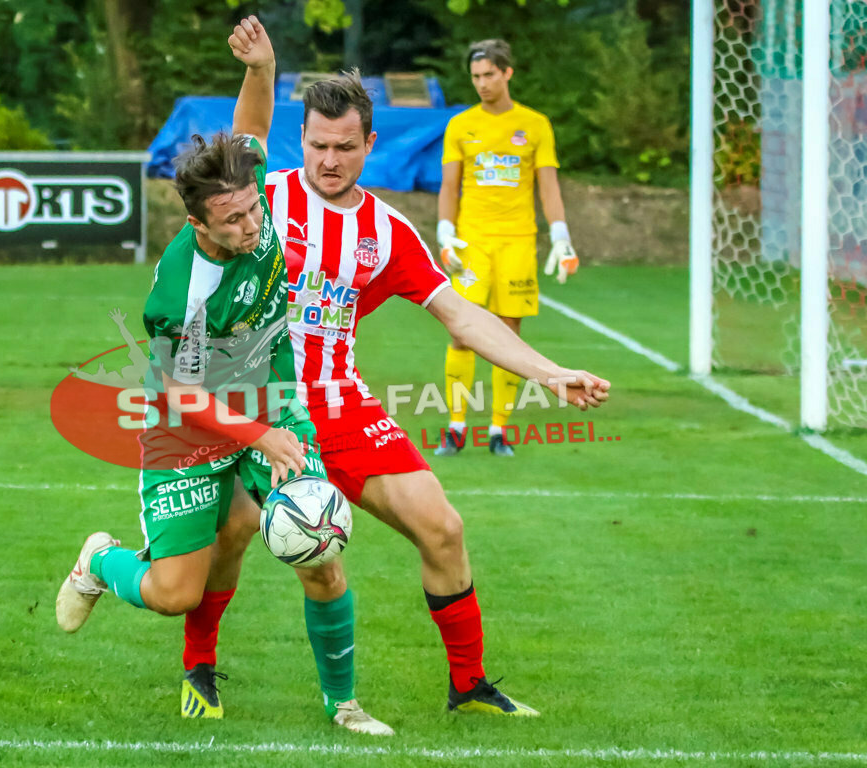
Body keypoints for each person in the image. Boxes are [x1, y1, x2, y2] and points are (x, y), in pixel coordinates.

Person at [182, 70, 610, 717]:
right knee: (254, 535)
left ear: (370, 144)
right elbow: (240, 144)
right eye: (319, 145)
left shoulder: (387, 232)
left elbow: (461, 315)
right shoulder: (263, 201)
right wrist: (259, 72)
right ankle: (202, 669)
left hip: (343, 402)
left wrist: (548, 373)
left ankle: (468, 684)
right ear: (302, 139)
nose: (330, 160)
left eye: (346, 147)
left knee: (442, 527)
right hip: (260, 404)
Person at [55, 17, 391, 736]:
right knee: (176, 590)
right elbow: (182, 393)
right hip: (187, 423)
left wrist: (263, 69)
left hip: (272, 397)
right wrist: (259, 435)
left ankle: (344, 702)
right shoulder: (184, 290)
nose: (249, 227)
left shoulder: (249, 192)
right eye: (231, 222)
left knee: (321, 548)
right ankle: (100, 562)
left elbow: (249, 127)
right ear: (199, 223)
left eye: (250, 210)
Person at [435, 39, 580, 457]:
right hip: (473, 242)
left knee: (509, 333)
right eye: (475, 77)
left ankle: (499, 430)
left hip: (518, 242)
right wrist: (445, 231)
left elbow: (548, 187)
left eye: (488, 75)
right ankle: (456, 427)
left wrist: (561, 236)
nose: (481, 83)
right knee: (461, 332)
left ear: (507, 73)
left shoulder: (535, 125)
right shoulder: (461, 125)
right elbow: (449, 185)